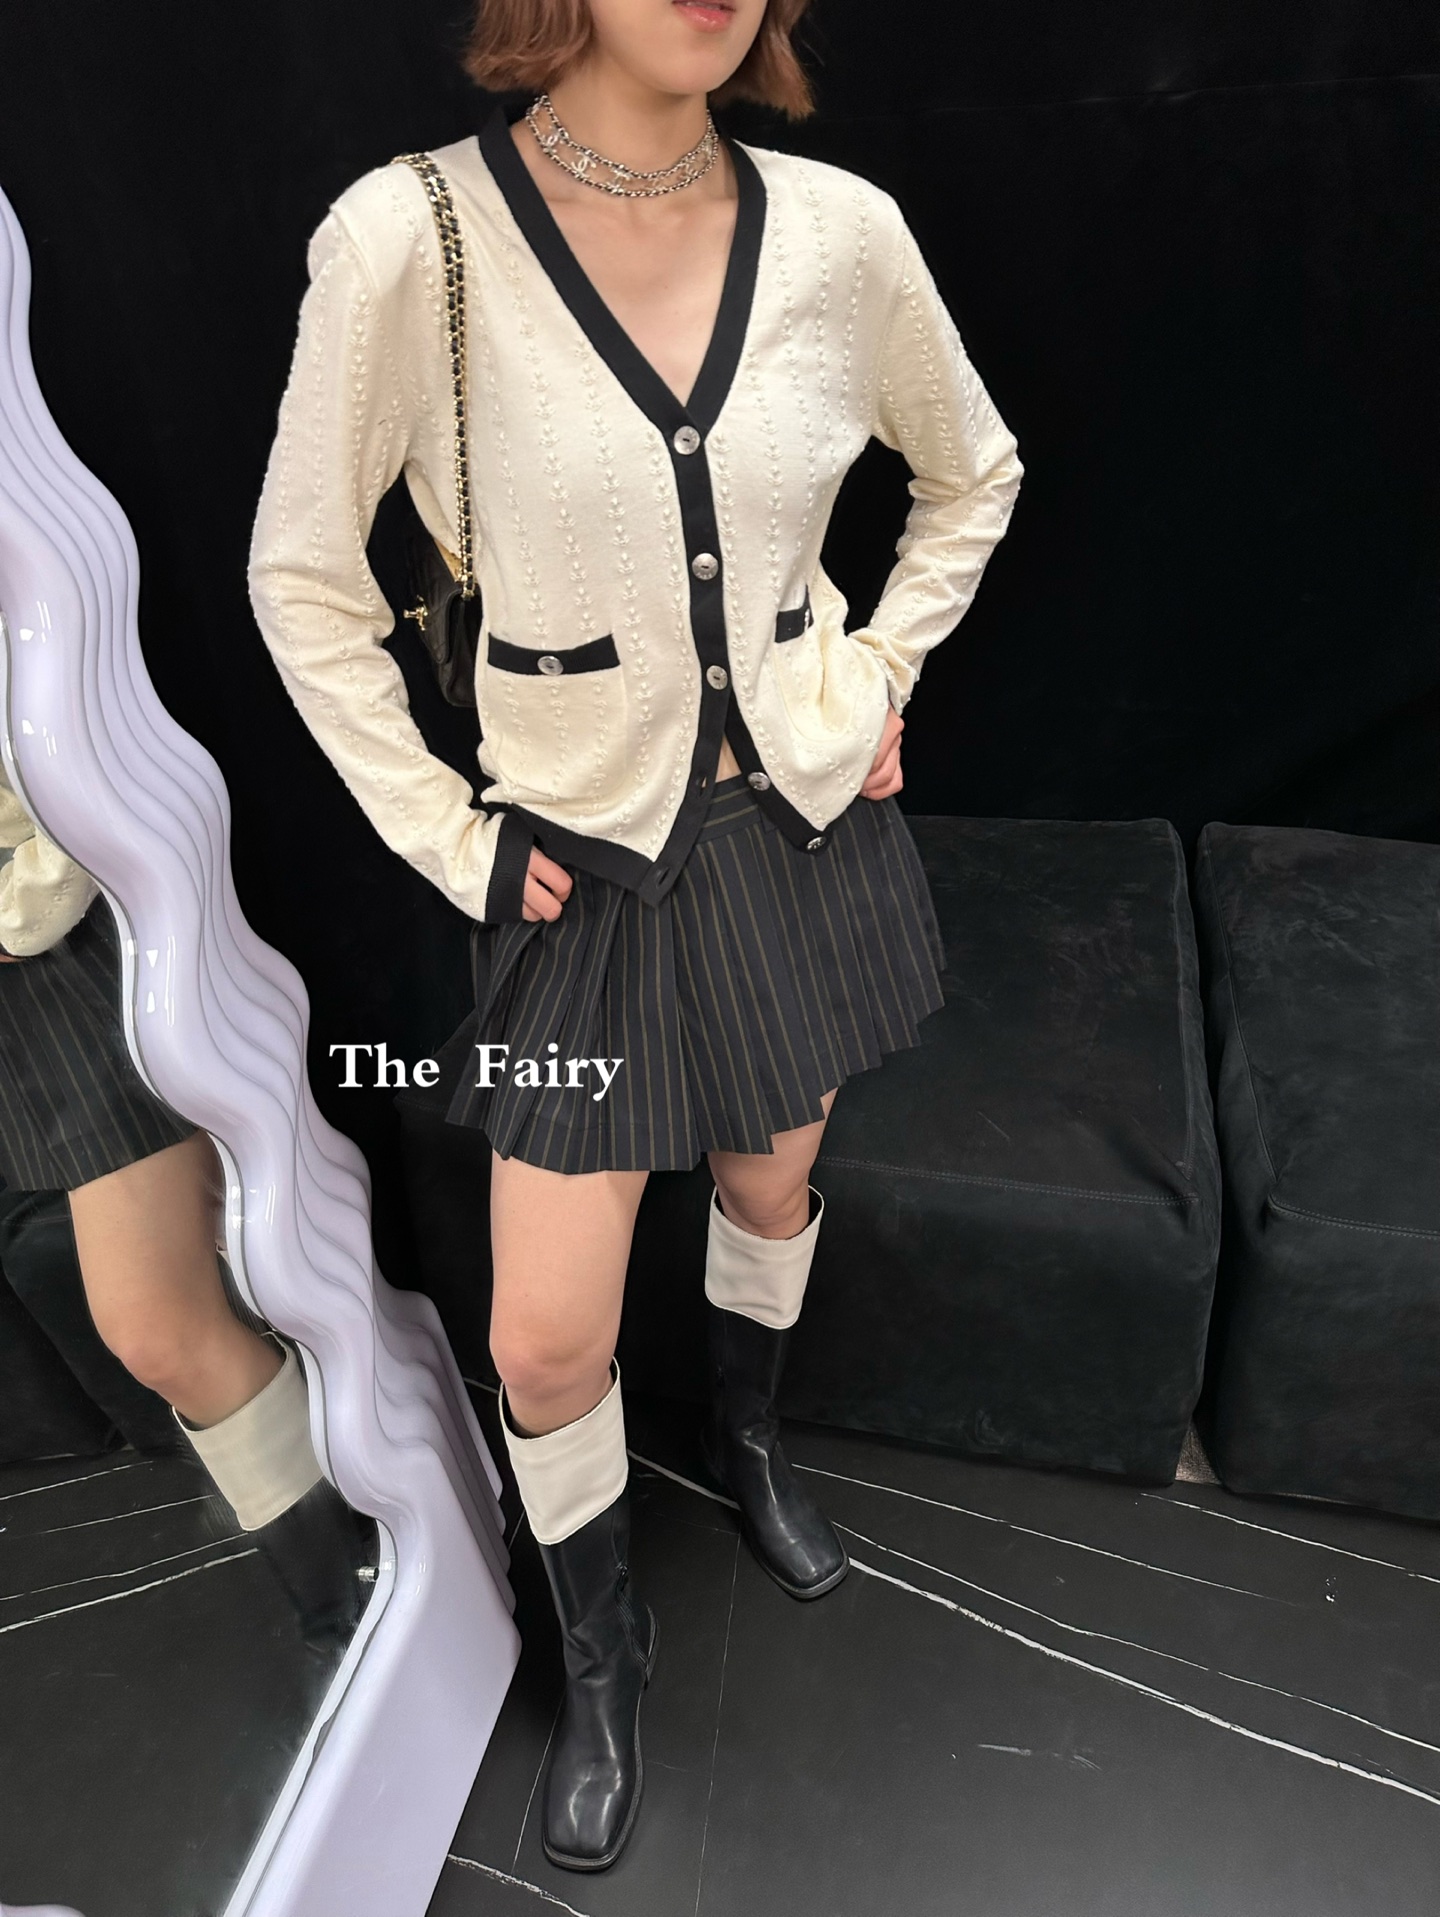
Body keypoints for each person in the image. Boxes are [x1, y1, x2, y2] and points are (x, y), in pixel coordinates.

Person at [247, 0, 1022, 1871]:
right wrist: (450, 833)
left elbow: (972, 470)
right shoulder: (412, 239)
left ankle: (748, 1443)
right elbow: (303, 576)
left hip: (799, 842)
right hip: (581, 873)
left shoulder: (840, 233)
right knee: (543, 1341)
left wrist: (875, 671)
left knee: (770, 1185)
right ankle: (603, 1648)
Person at [0, 759, 374, 1649]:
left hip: (62, 950)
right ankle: (358, 1584)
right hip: (26, 986)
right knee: (213, 1283)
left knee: (158, 1323)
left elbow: (76, 749)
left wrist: (22, 907)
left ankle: (359, 1595)